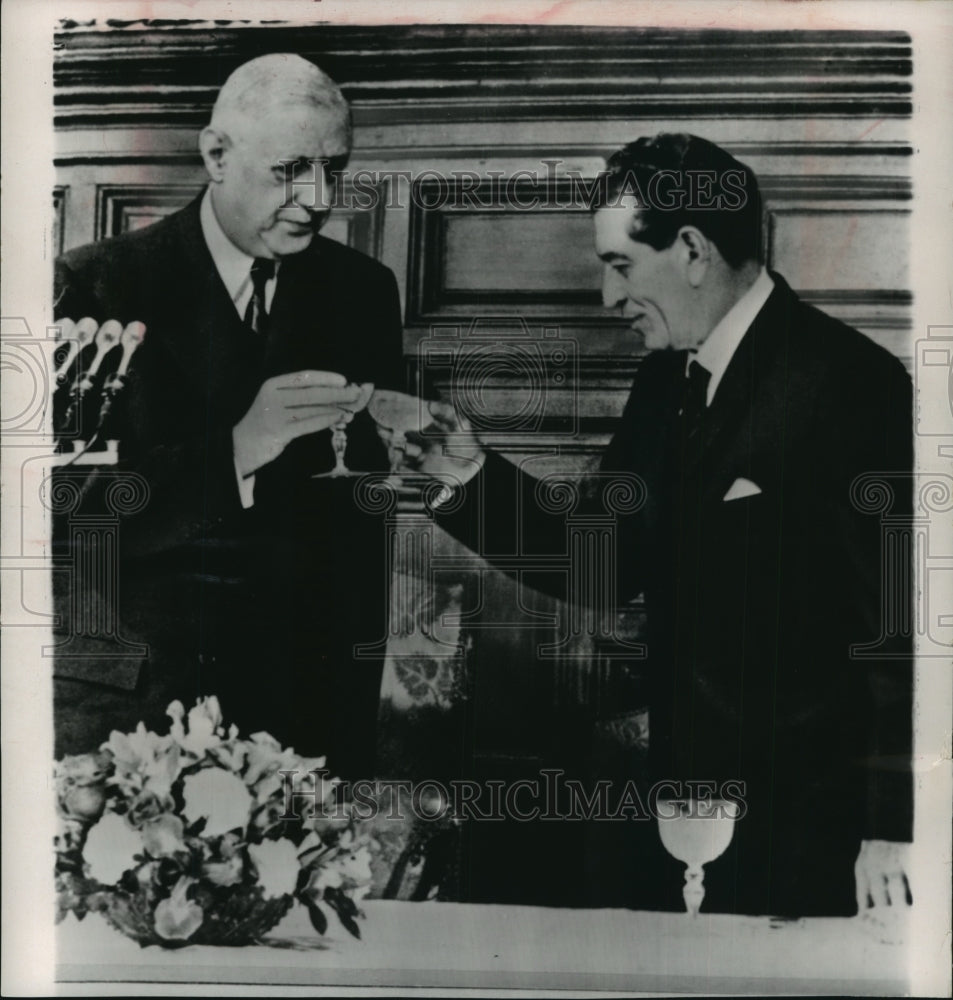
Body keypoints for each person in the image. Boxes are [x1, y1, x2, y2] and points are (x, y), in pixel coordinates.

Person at [405, 133, 914, 918]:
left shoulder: (852, 386)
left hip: (813, 829)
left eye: (618, 266)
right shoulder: (664, 379)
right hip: (683, 811)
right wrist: (466, 475)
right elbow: (601, 564)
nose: (609, 299)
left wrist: (890, 830)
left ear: (690, 248)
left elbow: (893, 629)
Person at [52, 54, 405, 780]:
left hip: (301, 711)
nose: (316, 197)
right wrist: (239, 449)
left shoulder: (363, 291)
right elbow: (64, 506)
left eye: (334, 169)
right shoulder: (96, 285)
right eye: (290, 169)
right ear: (216, 154)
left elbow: (354, 535)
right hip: (142, 715)